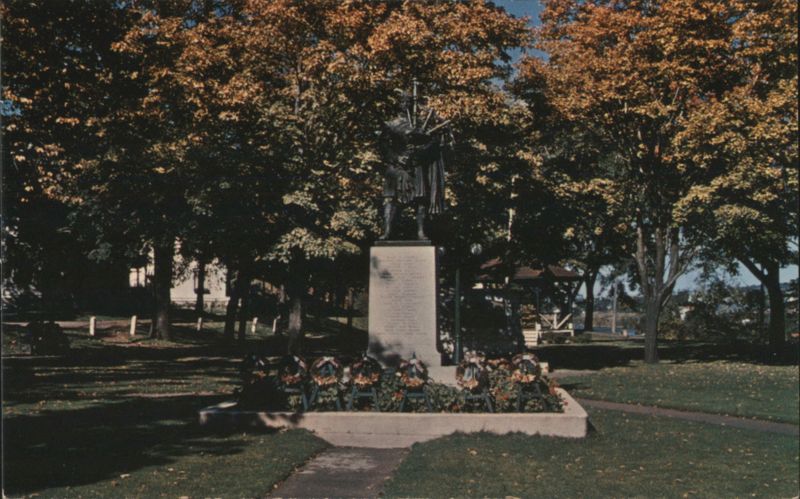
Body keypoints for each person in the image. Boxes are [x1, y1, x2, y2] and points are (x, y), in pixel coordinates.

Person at [379, 95, 447, 240]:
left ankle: (421, 231)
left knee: (420, 199)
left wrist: (421, 147)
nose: (405, 105)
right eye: (403, 102)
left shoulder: (420, 125)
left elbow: (434, 143)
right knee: (390, 199)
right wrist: (396, 157)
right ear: (398, 105)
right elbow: (383, 146)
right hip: (396, 168)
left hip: (416, 166)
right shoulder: (391, 124)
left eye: (408, 103)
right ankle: (387, 231)